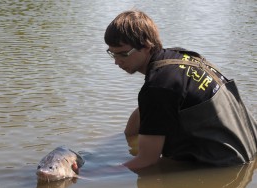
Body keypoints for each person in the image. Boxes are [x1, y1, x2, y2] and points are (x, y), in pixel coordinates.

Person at [104, 10, 257, 170]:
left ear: (147, 46)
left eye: (123, 54)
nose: (116, 62)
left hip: (227, 166)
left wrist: (94, 173)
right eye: (112, 54)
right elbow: (148, 109)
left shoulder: (158, 86)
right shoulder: (177, 57)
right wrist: (128, 137)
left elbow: (147, 161)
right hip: (250, 146)